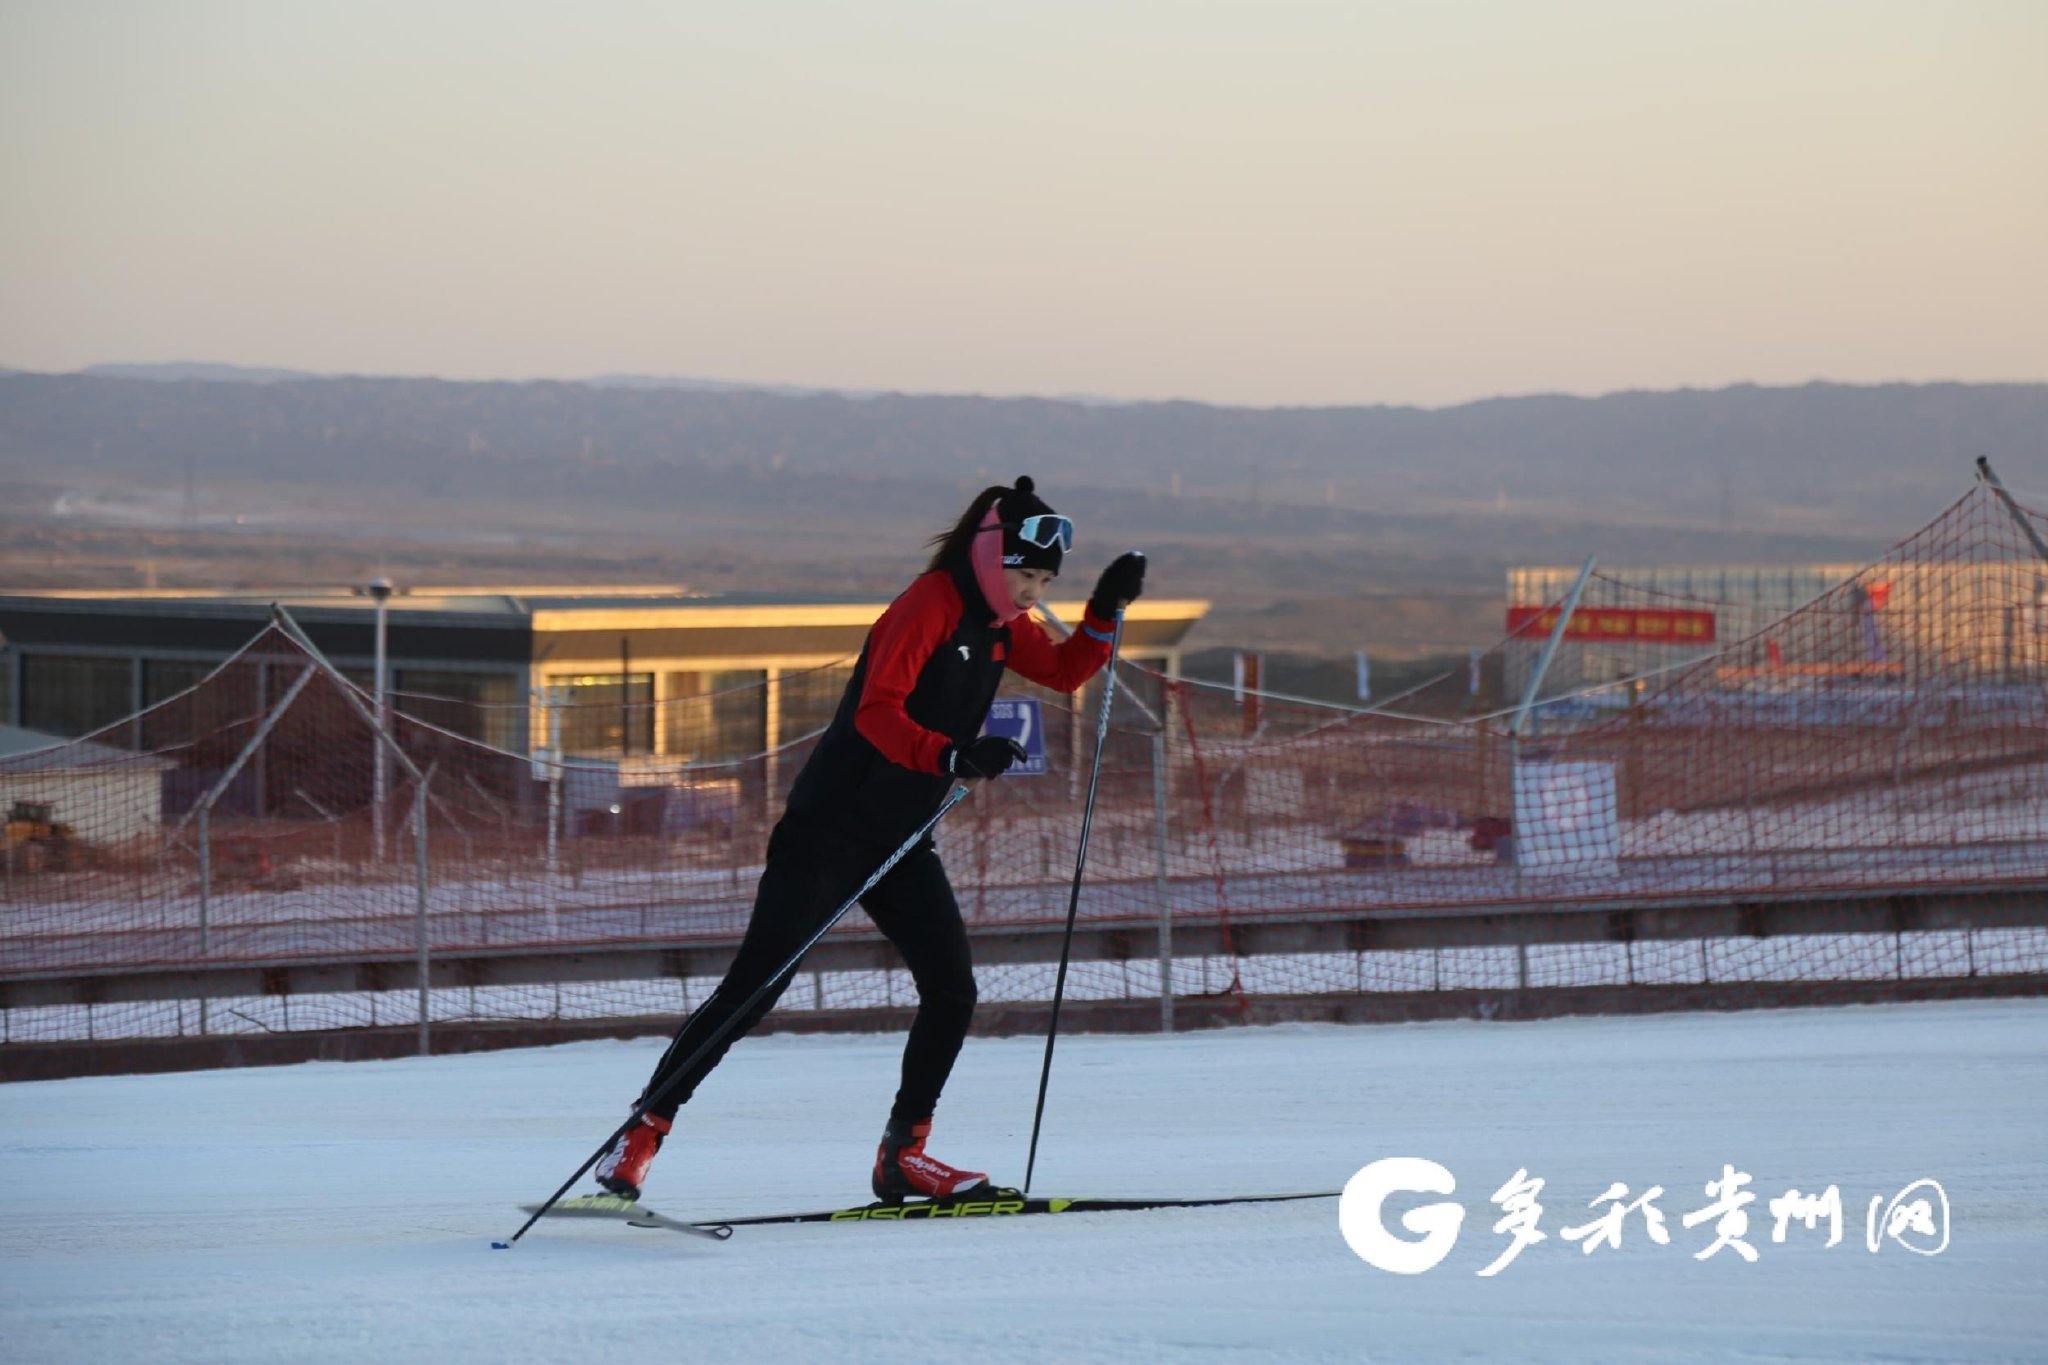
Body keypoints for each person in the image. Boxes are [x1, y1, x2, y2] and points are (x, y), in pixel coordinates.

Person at [594, 476, 1147, 1203]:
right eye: (1024, 575)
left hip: (901, 839)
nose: (1029, 593)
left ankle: (903, 1155)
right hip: (830, 830)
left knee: (952, 989)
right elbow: (876, 716)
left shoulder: (1000, 624)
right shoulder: (929, 606)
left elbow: (1069, 671)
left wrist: (1104, 609)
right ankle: (640, 1133)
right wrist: (952, 755)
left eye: (1043, 581)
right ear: (989, 557)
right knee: (755, 987)